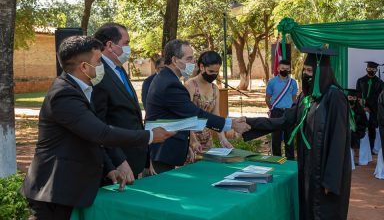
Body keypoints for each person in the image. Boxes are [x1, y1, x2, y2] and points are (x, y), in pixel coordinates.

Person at [20, 36, 174, 220]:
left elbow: (88, 138)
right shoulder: (64, 94)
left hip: (69, 189)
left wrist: (110, 168)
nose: (102, 66)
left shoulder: (80, 89)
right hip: (54, 190)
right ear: (84, 67)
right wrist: (149, 136)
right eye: (99, 61)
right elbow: (101, 133)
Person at [243, 47, 351, 220]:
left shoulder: (335, 97)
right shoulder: (305, 98)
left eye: (310, 70)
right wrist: (247, 122)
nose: (306, 75)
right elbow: (283, 121)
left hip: (325, 171)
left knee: (324, 211)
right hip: (307, 166)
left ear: (321, 71)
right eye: (305, 70)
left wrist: (331, 180)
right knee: (307, 208)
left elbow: (339, 140)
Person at [145, 39, 251, 173]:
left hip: (170, 148)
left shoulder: (166, 78)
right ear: (174, 60)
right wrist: (229, 124)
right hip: (164, 151)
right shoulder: (170, 84)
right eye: (189, 59)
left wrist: (186, 144)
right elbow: (194, 114)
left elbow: (179, 118)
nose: (193, 63)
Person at [92, 23, 152, 181]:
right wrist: (117, 161)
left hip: (133, 157)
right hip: (118, 165)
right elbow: (100, 125)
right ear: (110, 45)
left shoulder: (118, 68)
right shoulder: (98, 73)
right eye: (126, 43)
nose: (128, 48)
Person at [184, 51, 233, 161]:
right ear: (202, 67)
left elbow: (216, 115)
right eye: (211, 71)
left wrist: (223, 139)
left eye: (216, 72)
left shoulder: (215, 89)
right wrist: (192, 140)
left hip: (207, 138)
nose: (214, 75)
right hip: (189, 138)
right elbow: (186, 116)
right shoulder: (190, 85)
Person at [265, 60, 298, 159]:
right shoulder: (272, 82)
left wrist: (292, 109)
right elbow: (267, 98)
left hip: (289, 112)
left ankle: (290, 161)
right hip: (276, 112)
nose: (285, 70)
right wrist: (272, 109)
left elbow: (294, 98)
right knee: (276, 139)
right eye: (283, 69)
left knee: (289, 139)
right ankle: (277, 161)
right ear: (278, 69)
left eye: (287, 69)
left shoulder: (293, 82)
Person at [356, 61, 383, 152]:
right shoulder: (360, 80)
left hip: (374, 110)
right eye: (369, 69)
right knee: (362, 128)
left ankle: (371, 149)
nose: (371, 70)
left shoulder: (380, 82)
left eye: (373, 69)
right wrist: (363, 106)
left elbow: (379, 97)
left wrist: (369, 106)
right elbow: (358, 95)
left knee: (372, 129)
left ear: (376, 70)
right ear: (366, 69)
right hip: (362, 108)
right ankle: (361, 149)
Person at [346, 89, 368, 164]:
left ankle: (356, 160)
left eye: (354, 98)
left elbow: (364, 122)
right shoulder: (344, 108)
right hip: (345, 130)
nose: (352, 99)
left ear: (356, 99)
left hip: (356, 130)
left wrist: (357, 130)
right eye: (350, 97)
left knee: (355, 144)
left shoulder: (360, 110)